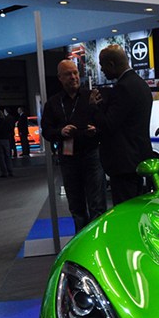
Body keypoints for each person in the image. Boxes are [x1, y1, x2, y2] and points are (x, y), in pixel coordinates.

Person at [41, 60, 107, 232]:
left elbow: (105, 124)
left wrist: (96, 130)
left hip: (91, 154)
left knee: (97, 204)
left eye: (75, 73)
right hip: (68, 158)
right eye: (68, 74)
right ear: (60, 78)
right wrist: (60, 132)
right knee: (76, 206)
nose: (73, 77)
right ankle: (80, 241)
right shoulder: (53, 103)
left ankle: (98, 239)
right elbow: (46, 131)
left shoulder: (91, 97)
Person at [89, 44, 154, 205]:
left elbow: (109, 125)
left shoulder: (123, 88)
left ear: (111, 64)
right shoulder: (141, 84)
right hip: (138, 159)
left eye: (102, 65)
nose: (102, 70)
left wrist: (93, 107)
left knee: (125, 208)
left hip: (123, 164)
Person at [0, 109, 15, 178]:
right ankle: (10, 171)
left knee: (1, 157)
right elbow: (10, 129)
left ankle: (4, 172)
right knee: (8, 156)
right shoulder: (6, 121)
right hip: (6, 139)